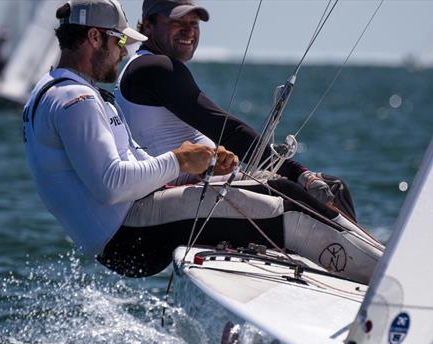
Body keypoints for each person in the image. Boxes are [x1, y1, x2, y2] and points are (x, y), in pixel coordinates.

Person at [23, 0, 381, 284]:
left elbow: (131, 161)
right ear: (94, 38)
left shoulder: (55, 92)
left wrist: (201, 163)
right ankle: (391, 284)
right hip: (130, 234)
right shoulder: (76, 102)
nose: (122, 51)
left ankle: (379, 260)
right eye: (119, 41)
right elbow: (111, 184)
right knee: (287, 212)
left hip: (130, 227)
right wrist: (181, 161)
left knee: (283, 190)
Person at [116, 0, 358, 221]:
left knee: (332, 187)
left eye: (194, 23)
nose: (189, 30)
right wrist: (299, 173)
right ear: (148, 26)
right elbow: (227, 130)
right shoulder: (156, 68)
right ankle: (368, 266)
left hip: (175, 196)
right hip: (160, 207)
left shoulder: (144, 65)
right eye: (177, 22)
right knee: (304, 191)